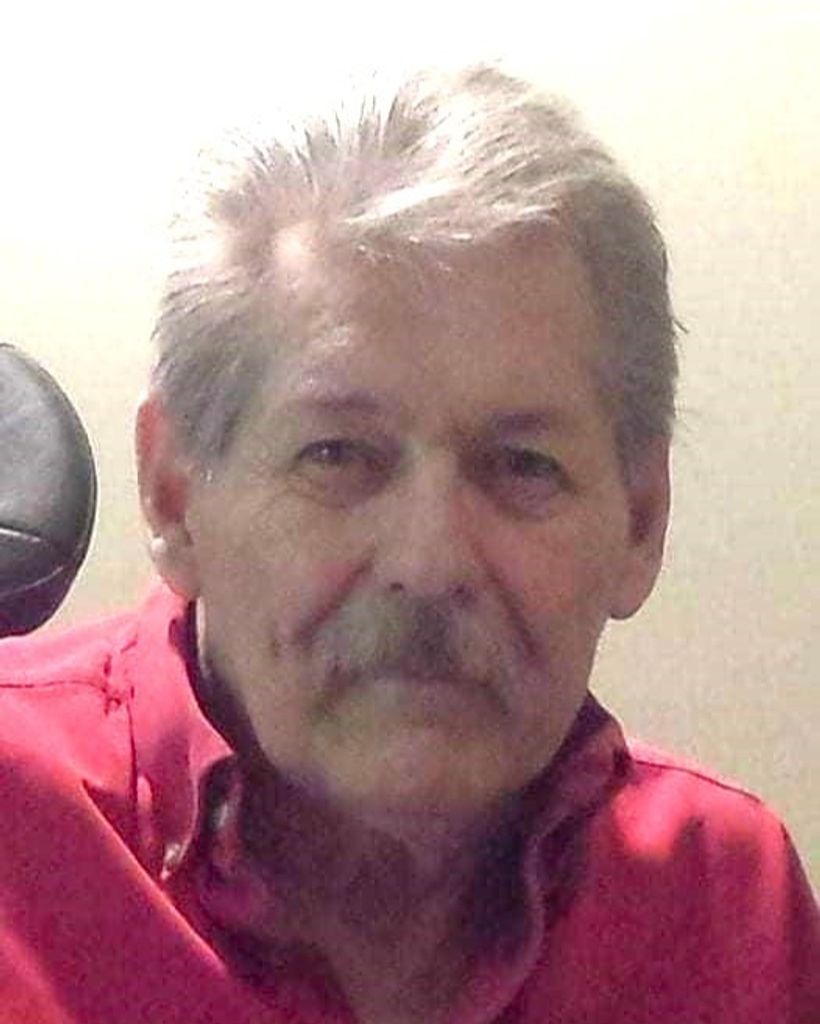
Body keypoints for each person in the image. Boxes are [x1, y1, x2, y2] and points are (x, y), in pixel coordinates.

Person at [0, 64, 816, 1024]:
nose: (429, 566)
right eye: (337, 455)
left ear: (640, 524)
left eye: (522, 467)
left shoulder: (724, 902)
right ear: (174, 496)